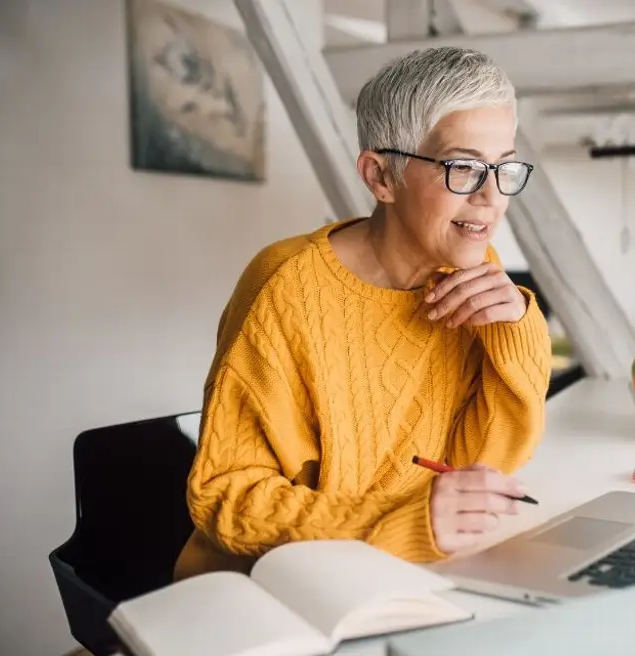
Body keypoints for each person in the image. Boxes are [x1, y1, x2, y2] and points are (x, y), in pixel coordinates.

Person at [173, 47, 552, 581]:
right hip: (265, 584)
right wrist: (396, 521)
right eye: (463, 167)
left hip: (396, 570)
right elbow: (227, 498)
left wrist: (517, 330)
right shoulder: (286, 285)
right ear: (380, 177)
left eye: (504, 167)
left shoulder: (468, 271)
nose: (492, 197)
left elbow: (485, 464)